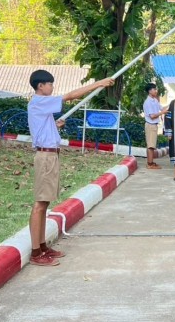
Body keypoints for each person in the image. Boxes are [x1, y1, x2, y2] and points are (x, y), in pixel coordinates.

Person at [27, 70, 115, 266]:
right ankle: (35, 253)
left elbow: (42, 128)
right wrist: (98, 83)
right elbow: (70, 96)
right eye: (50, 84)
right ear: (40, 86)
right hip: (46, 157)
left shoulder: (41, 105)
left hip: (50, 155)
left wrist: (54, 125)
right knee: (40, 204)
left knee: (45, 203)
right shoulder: (40, 101)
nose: (52, 87)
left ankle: (42, 246)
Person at [143, 83, 168, 169]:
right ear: (149, 91)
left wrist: (172, 104)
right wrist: (162, 113)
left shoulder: (155, 100)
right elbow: (152, 116)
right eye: (154, 89)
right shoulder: (148, 102)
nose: (156, 91)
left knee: (152, 145)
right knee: (150, 146)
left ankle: (151, 162)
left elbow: (162, 108)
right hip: (150, 125)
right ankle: (150, 164)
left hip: (154, 125)